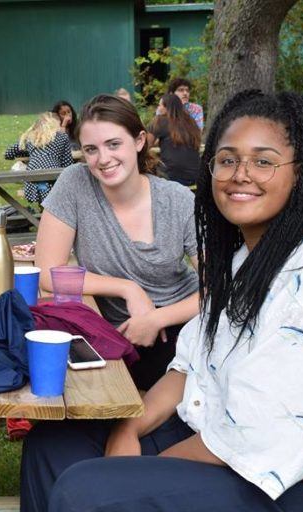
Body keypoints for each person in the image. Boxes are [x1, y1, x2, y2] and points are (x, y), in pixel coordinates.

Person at [17, 90, 303, 512]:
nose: (240, 175)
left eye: (263, 161)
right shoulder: (250, 254)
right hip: (223, 439)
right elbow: (187, 366)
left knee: (90, 492)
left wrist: (144, 474)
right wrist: (128, 431)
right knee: (54, 447)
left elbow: (260, 436)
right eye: (227, 160)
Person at [35, 94, 199, 391]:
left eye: (113, 144)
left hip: (183, 323)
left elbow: (221, 287)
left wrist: (156, 319)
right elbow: (48, 272)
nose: (103, 159)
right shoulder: (76, 183)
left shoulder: (178, 200)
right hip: (119, 332)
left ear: (138, 141)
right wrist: (127, 288)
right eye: (91, 149)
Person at [5, 112, 74, 204]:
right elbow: (67, 164)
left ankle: (41, 214)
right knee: (50, 200)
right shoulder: (62, 137)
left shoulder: (30, 137)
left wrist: (29, 152)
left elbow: (8, 154)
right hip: (53, 176)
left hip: (32, 179)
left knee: (44, 193)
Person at [148, 93, 202, 186]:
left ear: (166, 108)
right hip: (194, 177)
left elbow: (145, 145)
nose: (158, 108)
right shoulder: (190, 121)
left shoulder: (160, 120)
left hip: (172, 177)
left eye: (159, 105)